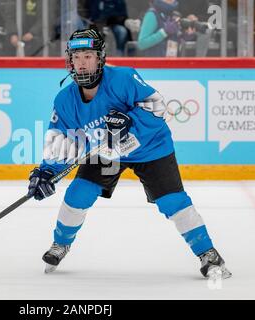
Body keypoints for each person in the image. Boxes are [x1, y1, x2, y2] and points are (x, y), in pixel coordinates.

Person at [27, 27, 232, 279]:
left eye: (88, 57)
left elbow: (158, 108)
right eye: (76, 58)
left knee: (172, 202)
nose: (81, 64)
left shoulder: (123, 78)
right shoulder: (65, 100)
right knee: (78, 194)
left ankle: (208, 253)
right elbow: (62, 141)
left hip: (151, 148)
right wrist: (48, 171)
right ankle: (60, 244)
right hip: (107, 151)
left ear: (100, 57)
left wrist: (130, 122)